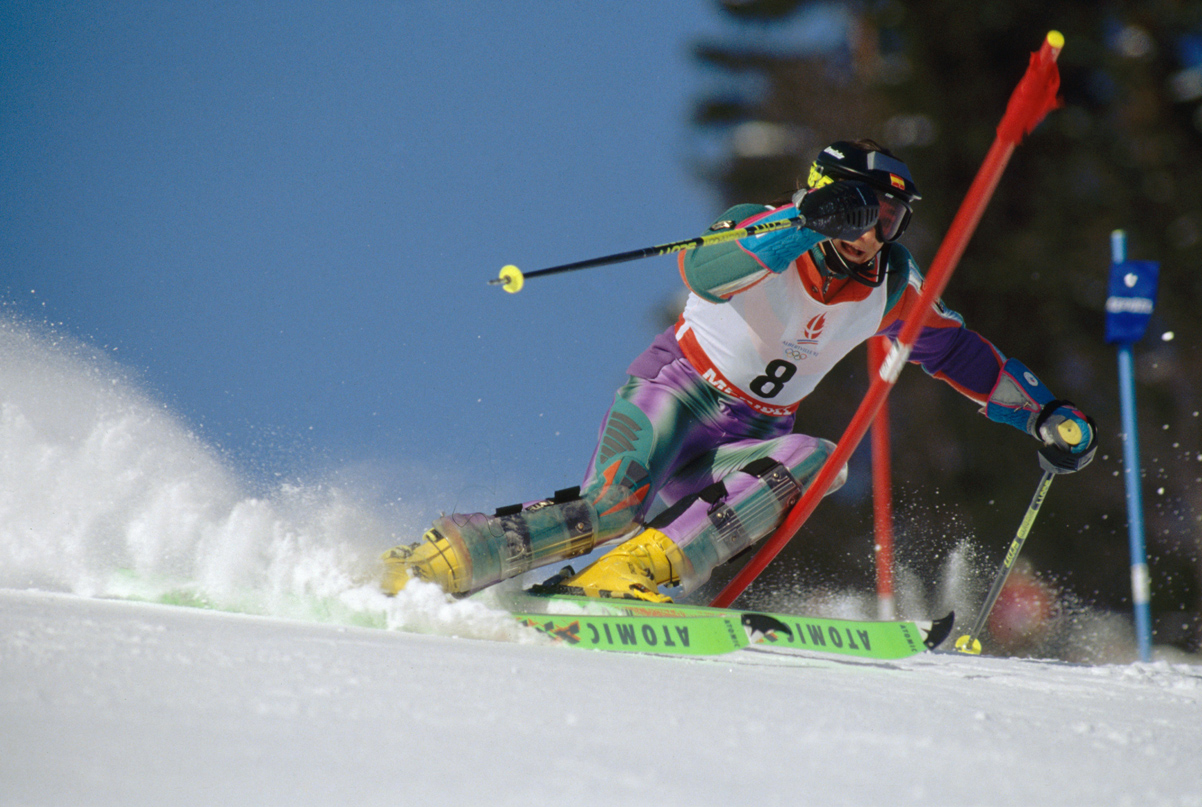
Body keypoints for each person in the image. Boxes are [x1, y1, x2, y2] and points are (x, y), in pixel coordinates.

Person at [380, 139, 1096, 602]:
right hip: (675, 391)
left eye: (891, 220)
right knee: (610, 507)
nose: (875, 235)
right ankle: (446, 558)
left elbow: (960, 352)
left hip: (751, 431)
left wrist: (1039, 410)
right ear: (824, 198)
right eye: (863, 214)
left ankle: (630, 572)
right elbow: (706, 267)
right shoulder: (764, 225)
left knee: (819, 460)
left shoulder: (892, 286)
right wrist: (805, 223)